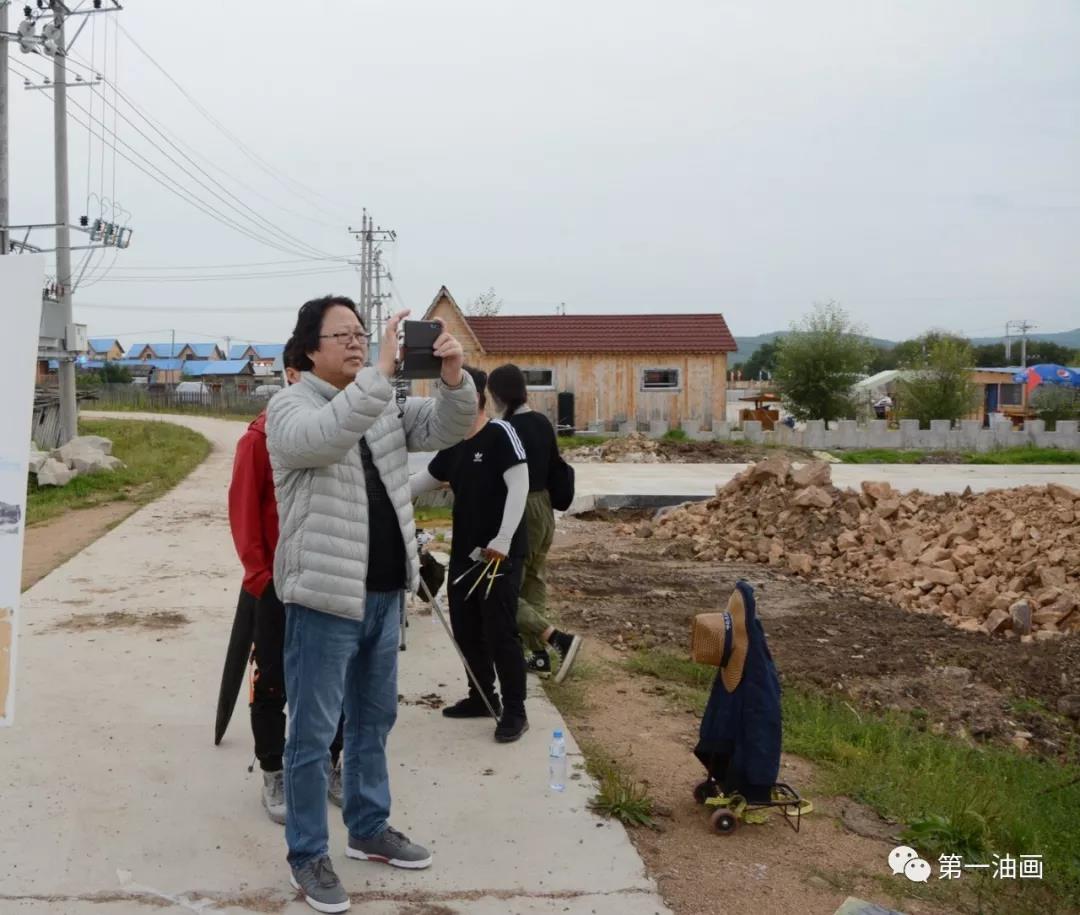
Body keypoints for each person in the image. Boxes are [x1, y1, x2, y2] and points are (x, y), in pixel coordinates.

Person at [266, 295, 474, 915]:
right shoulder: (289, 407)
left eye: (362, 333)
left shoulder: (380, 402)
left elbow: (446, 427)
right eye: (343, 335)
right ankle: (308, 855)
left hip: (385, 595)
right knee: (310, 733)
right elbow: (326, 440)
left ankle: (367, 827)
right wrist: (379, 376)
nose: (357, 342)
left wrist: (454, 376)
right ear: (309, 349)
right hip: (324, 600)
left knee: (373, 720)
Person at [228, 340, 346, 826]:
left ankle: (331, 763)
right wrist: (260, 578)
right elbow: (244, 515)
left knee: (332, 680)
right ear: (293, 377)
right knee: (272, 677)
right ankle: (273, 769)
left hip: (328, 574)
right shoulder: (260, 437)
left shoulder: (338, 431)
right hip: (277, 581)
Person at [409, 366, 531, 743]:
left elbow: (519, 485)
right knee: (465, 629)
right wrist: (381, 491)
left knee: (500, 632)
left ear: (476, 396)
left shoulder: (500, 434)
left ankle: (514, 710)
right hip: (465, 552)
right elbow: (419, 483)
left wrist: (505, 540)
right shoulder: (453, 445)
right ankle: (481, 696)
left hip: (498, 555)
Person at [485, 364, 582, 683]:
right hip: (544, 507)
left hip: (521, 508)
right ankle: (539, 657)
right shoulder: (541, 422)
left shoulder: (505, 429)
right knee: (534, 580)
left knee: (501, 589)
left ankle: (555, 638)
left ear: (498, 395)